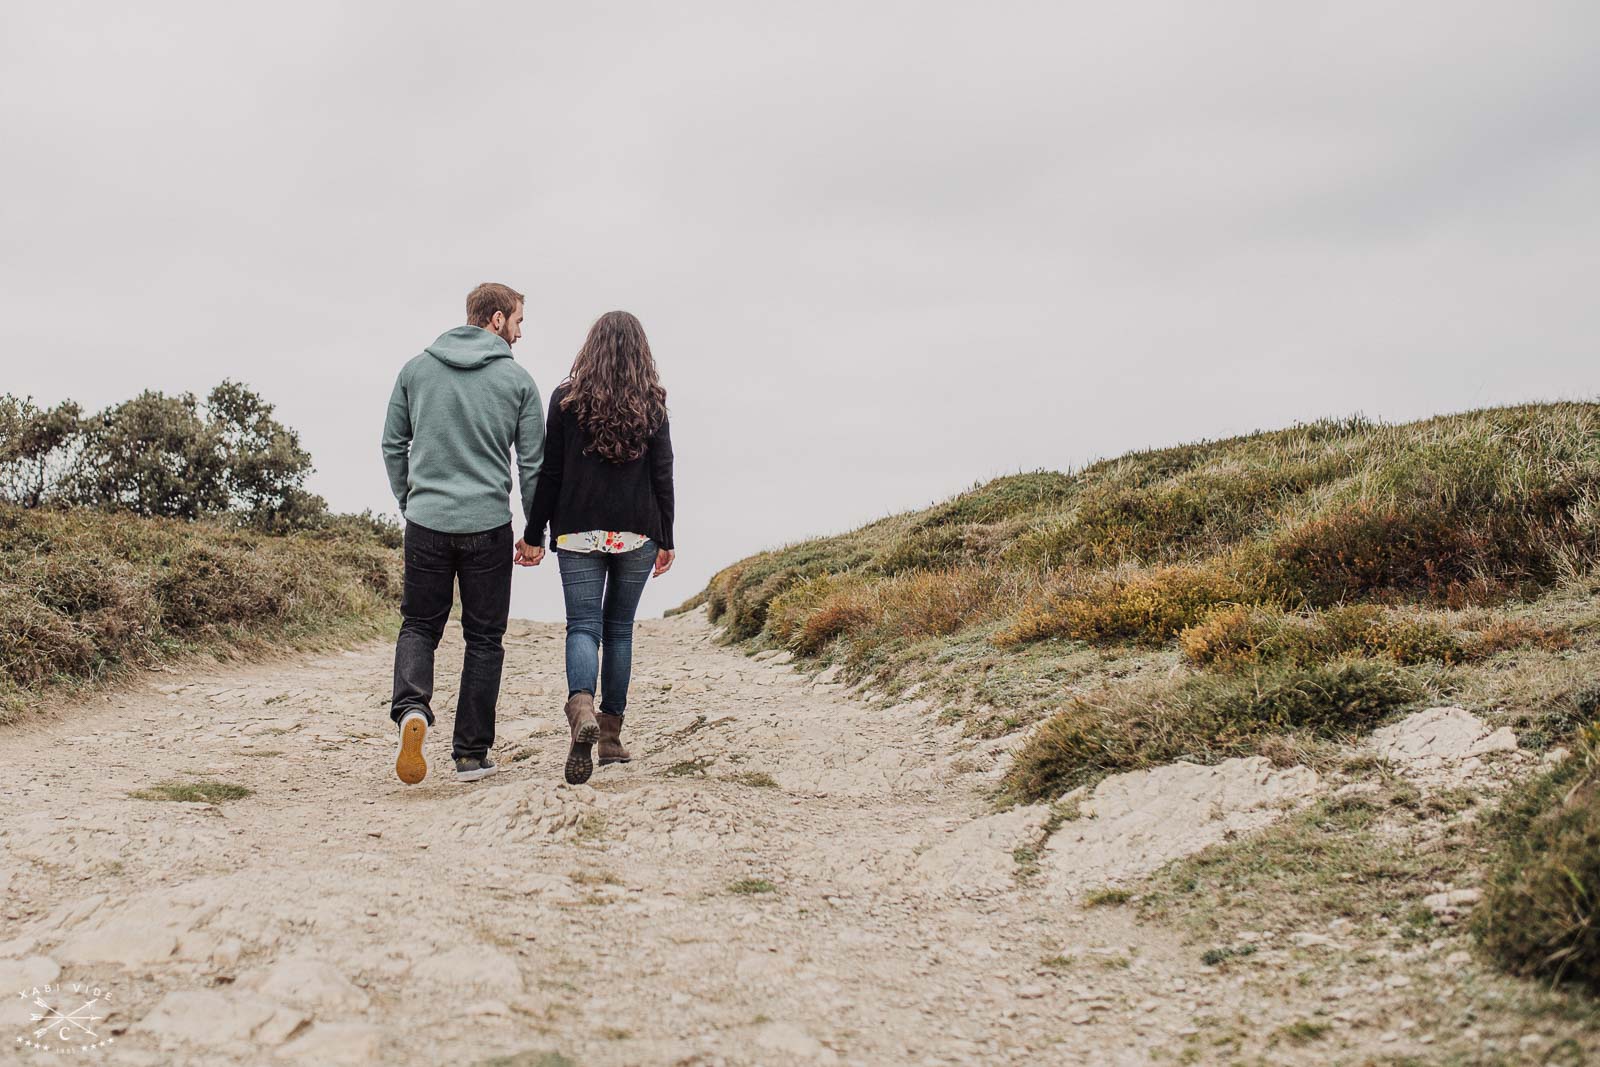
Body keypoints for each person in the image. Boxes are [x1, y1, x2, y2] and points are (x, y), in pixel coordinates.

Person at [381, 282, 545, 785]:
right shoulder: (518, 382)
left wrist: (411, 500)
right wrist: (534, 531)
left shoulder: (416, 369)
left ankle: (412, 708)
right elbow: (534, 464)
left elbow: (393, 444)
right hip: (487, 527)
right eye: (518, 321)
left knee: (419, 626)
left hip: (427, 522)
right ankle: (471, 755)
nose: (521, 332)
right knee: (484, 639)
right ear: (496, 320)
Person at [523, 310, 675, 785]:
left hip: (577, 530)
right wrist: (667, 537)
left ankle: (581, 706)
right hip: (636, 532)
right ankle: (609, 737)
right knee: (621, 631)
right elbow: (662, 474)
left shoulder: (565, 399)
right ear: (640, 351)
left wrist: (533, 532)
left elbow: (550, 472)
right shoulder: (653, 403)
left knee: (584, 626)